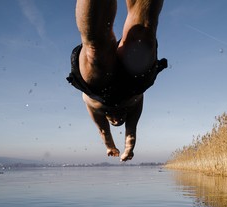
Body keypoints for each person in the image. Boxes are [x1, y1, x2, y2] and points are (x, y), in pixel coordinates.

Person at [67, 0, 167, 162]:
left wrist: (110, 147)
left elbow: (104, 133)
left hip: (97, 89)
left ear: (108, 118)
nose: (116, 120)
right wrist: (128, 150)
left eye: (113, 122)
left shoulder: (98, 112)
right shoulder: (133, 108)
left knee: (95, 51)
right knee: (143, 33)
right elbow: (131, 133)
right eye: (120, 122)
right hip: (133, 83)